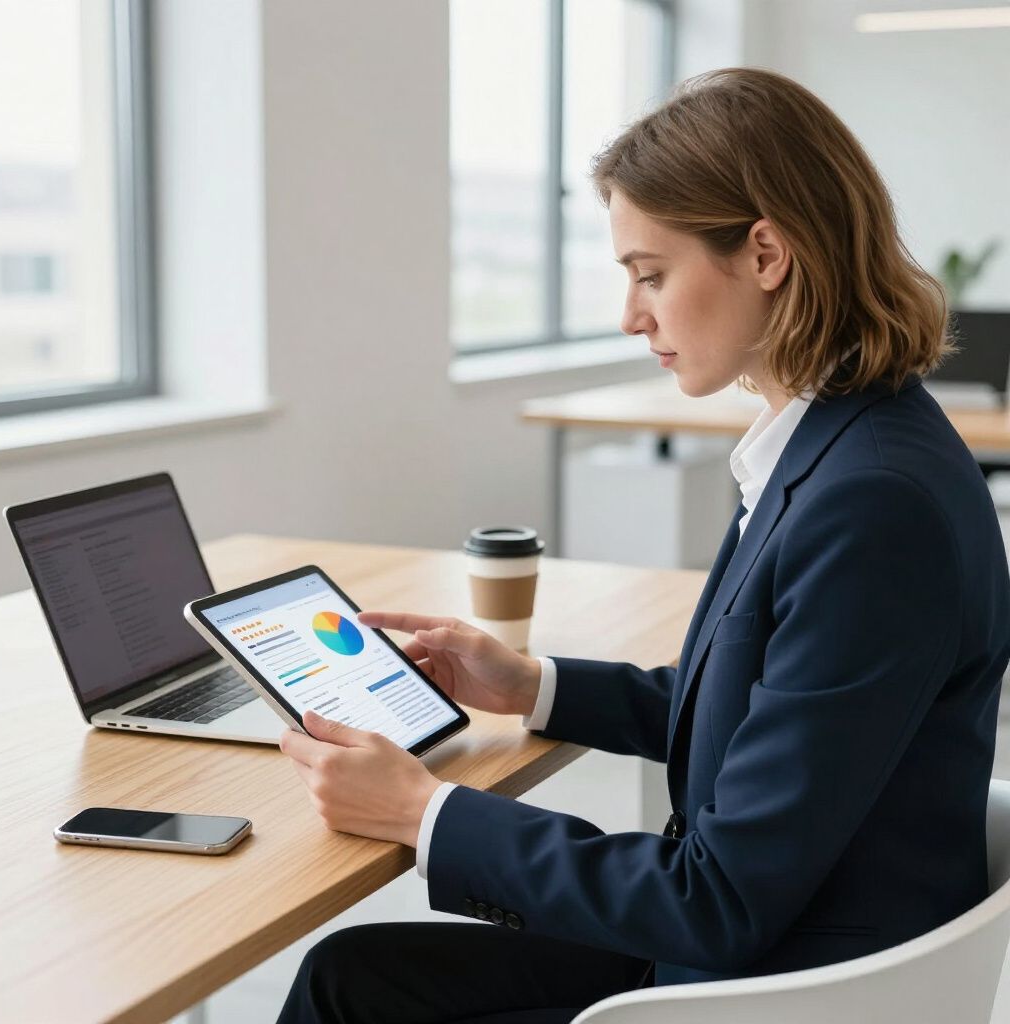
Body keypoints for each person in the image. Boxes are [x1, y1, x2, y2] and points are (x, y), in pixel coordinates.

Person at [275, 68, 1010, 1024]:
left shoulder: (871, 502)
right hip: (789, 930)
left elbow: (715, 900)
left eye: (651, 275)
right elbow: (764, 710)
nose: (633, 317)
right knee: (350, 977)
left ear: (767, 253)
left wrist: (424, 813)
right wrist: (528, 685)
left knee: (355, 992)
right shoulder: (844, 442)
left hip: (773, 985)